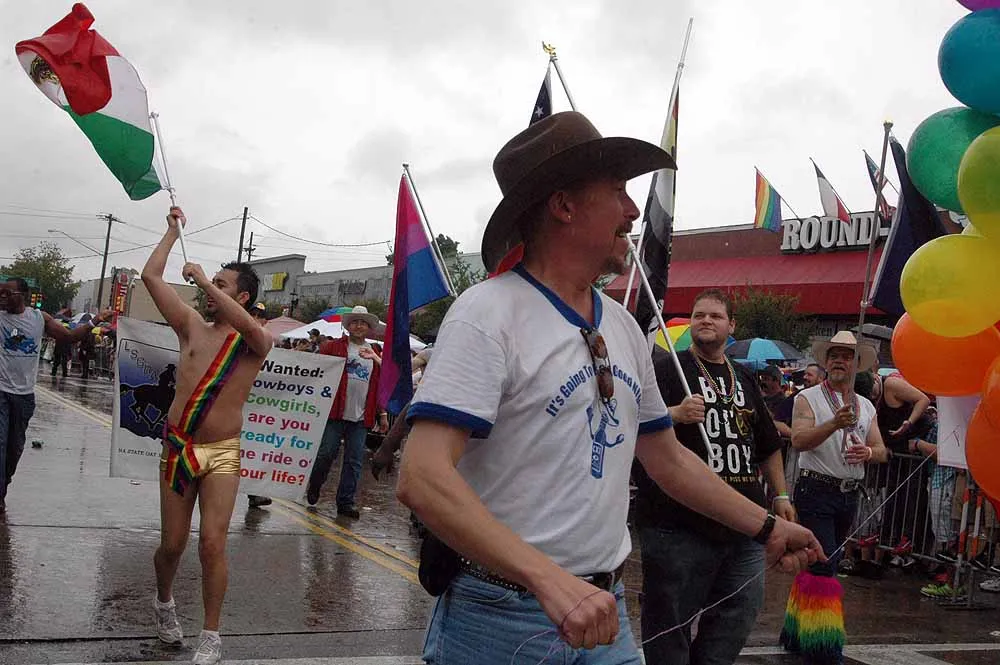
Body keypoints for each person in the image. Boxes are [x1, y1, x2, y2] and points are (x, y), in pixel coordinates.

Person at [396, 112, 823, 665]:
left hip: (605, 613)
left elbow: (669, 461)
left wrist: (766, 526)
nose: (632, 210)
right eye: (618, 190)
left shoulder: (622, 326)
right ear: (564, 206)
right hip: (501, 618)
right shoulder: (487, 314)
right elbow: (422, 477)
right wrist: (548, 579)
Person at [634, 289, 794, 665]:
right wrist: (675, 413)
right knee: (670, 621)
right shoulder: (667, 369)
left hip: (745, 522)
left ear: (731, 326)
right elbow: (632, 420)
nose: (706, 320)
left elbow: (768, 444)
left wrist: (781, 495)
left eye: (715, 316)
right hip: (678, 522)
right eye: (699, 315)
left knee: (737, 615)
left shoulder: (744, 377)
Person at [142, 207, 273, 665]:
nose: (210, 290)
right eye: (211, 283)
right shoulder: (191, 327)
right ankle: (164, 603)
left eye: (222, 285)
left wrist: (201, 279)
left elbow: (250, 327)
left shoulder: (255, 340)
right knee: (172, 545)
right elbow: (151, 277)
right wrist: (171, 232)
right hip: (180, 448)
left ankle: (211, 634)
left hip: (222, 453)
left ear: (243, 295)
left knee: (212, 543)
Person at [781, 331, 889, 665]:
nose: (839, 361)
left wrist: (867, 452)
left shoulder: (865, 405)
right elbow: (799, 440)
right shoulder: (808, 398)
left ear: (857, 365)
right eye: (834, 355)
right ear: (826, 362)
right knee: (824, 565)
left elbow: (882, 450)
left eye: (846, 356)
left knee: (819, 564)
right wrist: (832, 424)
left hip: (848, 494)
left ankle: (796, 634)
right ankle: (823, 650)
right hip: (816, 490)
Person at [0, 279, 111, 514]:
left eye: (7, 293)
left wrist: (96, 320)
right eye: (0, 293)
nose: (2, 297)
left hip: (24, 396)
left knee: (14, 448)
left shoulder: (39, 318)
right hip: (1, 392)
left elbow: (70, 336)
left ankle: (4, 484)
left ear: (23, 295)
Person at [307, 305, 389, 517]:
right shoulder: (332, 347)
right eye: (355, 322)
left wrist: (382, 414)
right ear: (348, 326)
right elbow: (314, 371)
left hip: (361, 417)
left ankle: (346, 502)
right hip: (334, 413)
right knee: (326, 454)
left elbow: (379, 385)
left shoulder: (375, 352)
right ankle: (315, 484)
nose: (359, 326)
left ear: (369, 327)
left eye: (363, 323)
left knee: (354, 461)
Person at [248, 302, 274, 510]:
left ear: (266, 321)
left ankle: (254, 492)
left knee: (253, 448)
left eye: (260, 316)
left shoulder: (269, 343)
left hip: (259, 406)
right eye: (253, 314)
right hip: (235, 402)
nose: (256, 319)